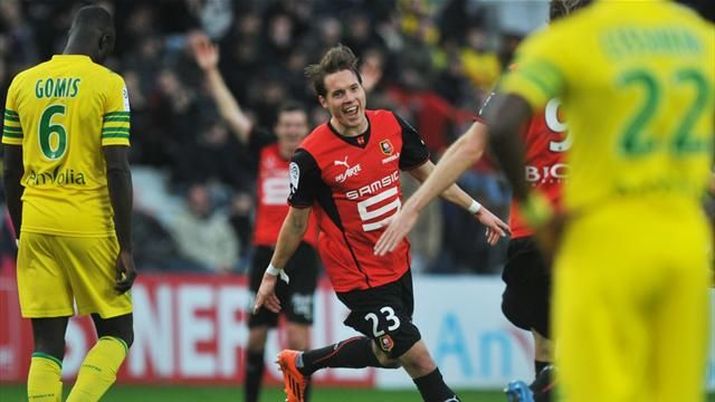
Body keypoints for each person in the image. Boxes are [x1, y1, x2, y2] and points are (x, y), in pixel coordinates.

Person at [377, 1, 714, 401]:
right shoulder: (682, 48)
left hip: (548, 233)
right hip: (647, 235)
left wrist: (415, 205)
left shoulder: (545, 58)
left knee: (552, 345)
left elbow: (477, 142)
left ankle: (539, 392)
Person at [253, 44, 509, 402]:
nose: (349, 99)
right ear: (323, 101)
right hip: (358, 277)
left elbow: (431, 175)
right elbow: (296, 223)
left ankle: (303, 363)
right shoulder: (310, 156)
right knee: (419, 359)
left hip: (397, 265)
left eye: (353, 88)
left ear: (363, 88)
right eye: (338, 94)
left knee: (390, 356)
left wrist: (476, 208)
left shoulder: (390, 124)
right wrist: (272, 272)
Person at [2, 6, 136, 402]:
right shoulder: (108, 84)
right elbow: (117, 168)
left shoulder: (22, 83)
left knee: (47, 344)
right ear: (105, 40)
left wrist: (20, 233)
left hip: (35, 222)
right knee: (118, 333)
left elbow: (10, 170)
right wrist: (126, 245)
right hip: (87, 222)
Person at [191, 35, 320, 402]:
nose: (292, 131)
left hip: (303, 253)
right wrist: (211, 71)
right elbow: (232, 115)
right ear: (277, 128)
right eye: (287, 125)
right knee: (256, 338)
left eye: (298, 125)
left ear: (305, 129)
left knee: (298, 338)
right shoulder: (264, 148)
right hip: (264, 252)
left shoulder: (315, 155)